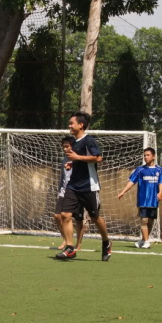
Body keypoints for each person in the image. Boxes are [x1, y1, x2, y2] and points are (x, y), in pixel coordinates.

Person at [55, 111, 112, 261]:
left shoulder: (89, 140)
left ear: (81, 125)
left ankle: (106, 241)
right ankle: (70, 248)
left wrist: (77, 158)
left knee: (95, 217)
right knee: (65, 215)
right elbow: (78, 160)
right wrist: (71, 163)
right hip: (73, 185)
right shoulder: (74, 142)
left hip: (89, 186)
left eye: (71, 123)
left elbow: (98, 158)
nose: (69, 125)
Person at [118, 147, 162, 249]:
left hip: (154, 200)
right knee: (144, 220)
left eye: (148, 155)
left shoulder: (160, 170)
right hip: (143, 200)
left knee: (151, 221)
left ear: (153, 156)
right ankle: (147, 241)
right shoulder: (140, 170)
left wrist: (160, 192)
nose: (145, 157)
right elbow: (132, 181)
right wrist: (123, 191)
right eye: (144, 155)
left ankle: (143, 240)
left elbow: (161, 182)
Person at [53, 136, 86, 251]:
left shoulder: (79, 159)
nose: (65, 149)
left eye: (67, 146)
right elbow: (62, 178)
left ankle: (79, 244)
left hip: (78, 191)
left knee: (78, 219)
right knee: (57, 216)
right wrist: (59, 191)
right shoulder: (64, 160)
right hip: (64, 191)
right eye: (64, 147)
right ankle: (66, 240)